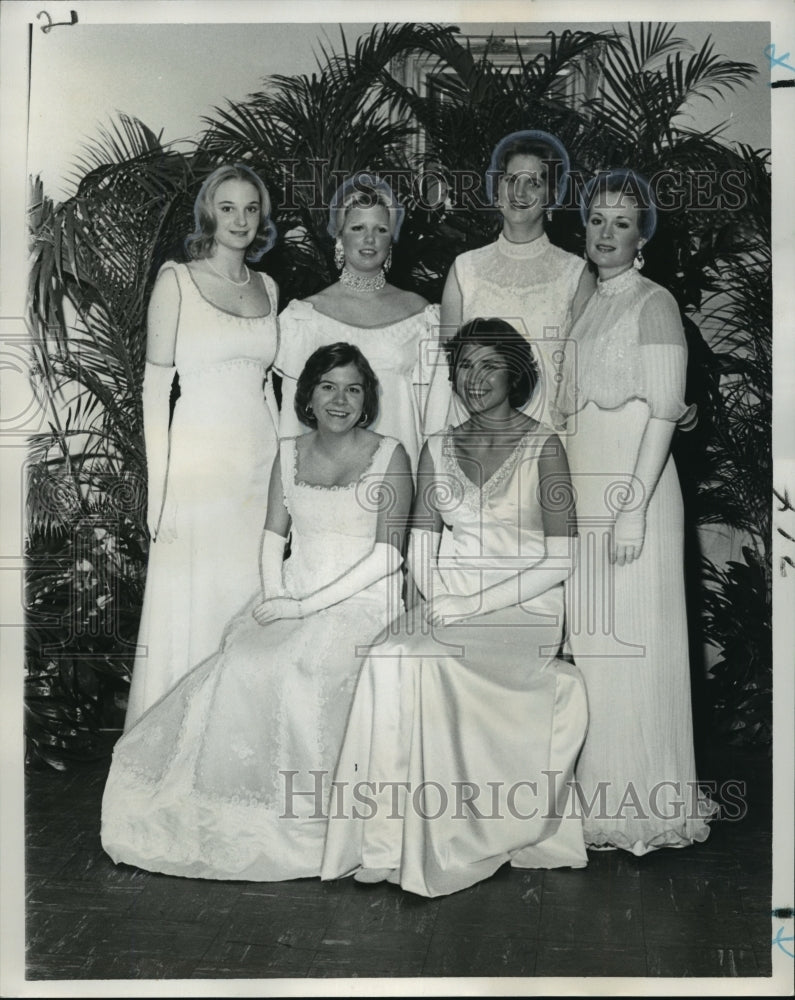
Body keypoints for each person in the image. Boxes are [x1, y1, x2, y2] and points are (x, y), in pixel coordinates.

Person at [101, 343, 412, 880]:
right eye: (328, 386)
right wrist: (275, 597)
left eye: (353, 389)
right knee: (242, 661)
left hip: (363, 599)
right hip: (292, 590)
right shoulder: (289, 451)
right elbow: (274, 536)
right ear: (308, 396)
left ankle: (313, 823)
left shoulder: (391, 454)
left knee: (303, 670)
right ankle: (235, 816)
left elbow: (389, 556)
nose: (340, 399)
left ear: (368, 400)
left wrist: (305, 606)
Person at [320, 319, 588, 898]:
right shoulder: (437, 446)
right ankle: (382, 844)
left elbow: (562, 560)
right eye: (464, 367)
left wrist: (472, 602)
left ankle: (444, 845)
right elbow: (421, 543)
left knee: (420, 662)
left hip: (526, 609)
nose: (474, 379)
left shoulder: (547, 447)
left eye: (489, 365)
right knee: (388, 653)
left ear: (516, 373)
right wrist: (439, 598)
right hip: (448, 599)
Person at [557, 168, 714, 853]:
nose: (606, 234)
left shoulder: (654, 303)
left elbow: (661, 411)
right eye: (597, 219)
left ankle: (641, 803)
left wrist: (631, 507)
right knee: (594, 646)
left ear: (642, 234)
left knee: (634, 645)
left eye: (622, 223)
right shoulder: (586, 302)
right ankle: (595, 796)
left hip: (634, 490)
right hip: (588, 485)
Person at [124, 164, 281, 729]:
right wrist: (158, 493)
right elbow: (155, 388)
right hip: (198, 467)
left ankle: (234, 739)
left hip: (257, 466)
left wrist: (285, 478)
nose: (240, 220)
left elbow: (269, 391)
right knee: (195, 602)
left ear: (261, 217)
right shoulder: (177, 280)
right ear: (208, 214)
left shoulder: (270, 287)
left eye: (251, 208)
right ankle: (177, 737)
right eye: (228, 208)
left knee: (247, 596)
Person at [275, 172, 451, 471]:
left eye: (380, 229)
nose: (370, 239)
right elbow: (293, 421)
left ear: (391, 240)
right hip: (328, 474)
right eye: (358, 227)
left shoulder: (422, 315)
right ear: (340, 236)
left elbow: (435, 415)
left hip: (399, 471)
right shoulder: (305, 316)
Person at [436, 130, 596, 428]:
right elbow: (448, 369)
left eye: (533, 182)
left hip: (548, 433)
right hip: (477, 431)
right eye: (511, 180)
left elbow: (582, 373)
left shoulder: (577, 274)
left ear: (552, 194)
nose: (519, 193)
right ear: (497, 189)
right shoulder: (464, 269)